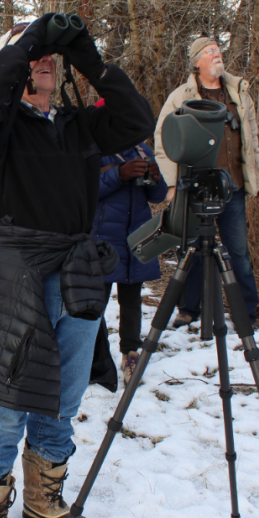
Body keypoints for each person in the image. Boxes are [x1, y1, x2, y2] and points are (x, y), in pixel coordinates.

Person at [0, 15, 155, 518]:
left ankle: (43, 497)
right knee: (8, 399)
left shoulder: (78, 126)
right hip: (21, 272)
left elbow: (137, 118)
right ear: (10, 64)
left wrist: (86, 55)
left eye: (49, 57)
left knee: (63, 398)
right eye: (30, 55)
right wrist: (29, 39)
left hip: (79, 272)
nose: (43, 60)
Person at [154, 36, 259, 328]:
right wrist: (170, 184)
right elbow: (162, 140)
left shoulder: (239, 93)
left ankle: (246, 315)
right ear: (196, 62)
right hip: (195, 188)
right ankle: (189, 309)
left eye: (218, 49)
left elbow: (252, 139)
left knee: (239, 253)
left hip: (234, 187)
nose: (217, 54)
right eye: (210, 51)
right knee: (190, 249)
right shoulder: (182, 96)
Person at [92, 126, 168, 385]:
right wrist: (119, 174)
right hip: (103, 238)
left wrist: (156, 178)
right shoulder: (95, 150)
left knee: (132, 300)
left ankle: (131, 353)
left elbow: (157, 196)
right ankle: (92, 356)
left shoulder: (142, 150)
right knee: (95, 301)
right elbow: (86, 190)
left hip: (136, 237)